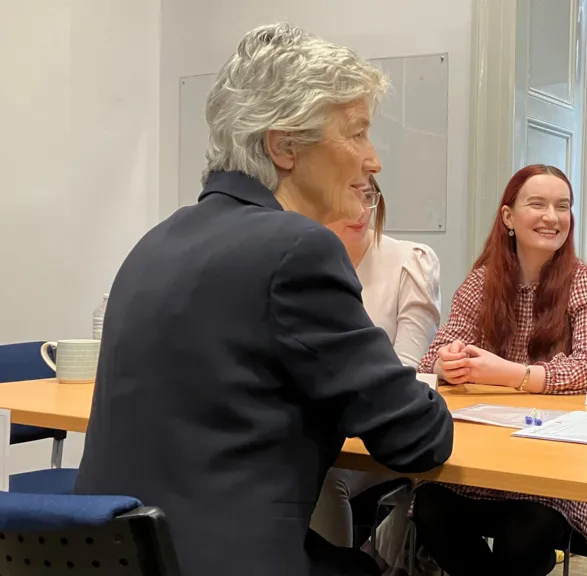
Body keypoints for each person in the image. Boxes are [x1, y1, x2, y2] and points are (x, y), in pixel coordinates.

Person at [74, 23, 454, 576]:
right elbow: (418, 439)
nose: (373, 160)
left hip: (113, 557)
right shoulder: (296, 249)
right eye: (356, 134)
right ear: (285, 146)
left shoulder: (155, 242)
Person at [411, 164, 587, 576]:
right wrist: (448, 364)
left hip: (557, 468)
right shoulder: (480, 282)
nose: (552, 217)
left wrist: (509, 373)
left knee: (526, 535)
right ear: (508, 217)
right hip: (484, 460)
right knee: (431, 509)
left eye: (563, 206)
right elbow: (429, 360)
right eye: (537, 204)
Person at [310, 174, 442, 551]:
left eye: (368, 197)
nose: (359, 211)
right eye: (344, 197)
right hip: (324, 426)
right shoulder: (304, 264)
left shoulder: (409, 262)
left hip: (380, 428)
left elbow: (406, 372)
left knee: (326, 476)